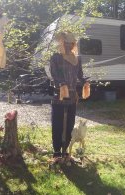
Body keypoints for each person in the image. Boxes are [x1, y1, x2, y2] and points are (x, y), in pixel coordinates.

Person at [50, 32, 90, 163]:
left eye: (71, 43)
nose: (69, 46)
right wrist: (61, 83)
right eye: (66, 43)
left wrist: (84, 81)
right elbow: (54, 74)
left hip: (73, 96)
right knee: (57, 124)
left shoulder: (77, 58)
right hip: (59, 95)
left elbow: (79, 74)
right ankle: (56, 152)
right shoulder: (56, 57)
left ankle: (66, 151)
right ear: (62, 43)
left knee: (70, 124)